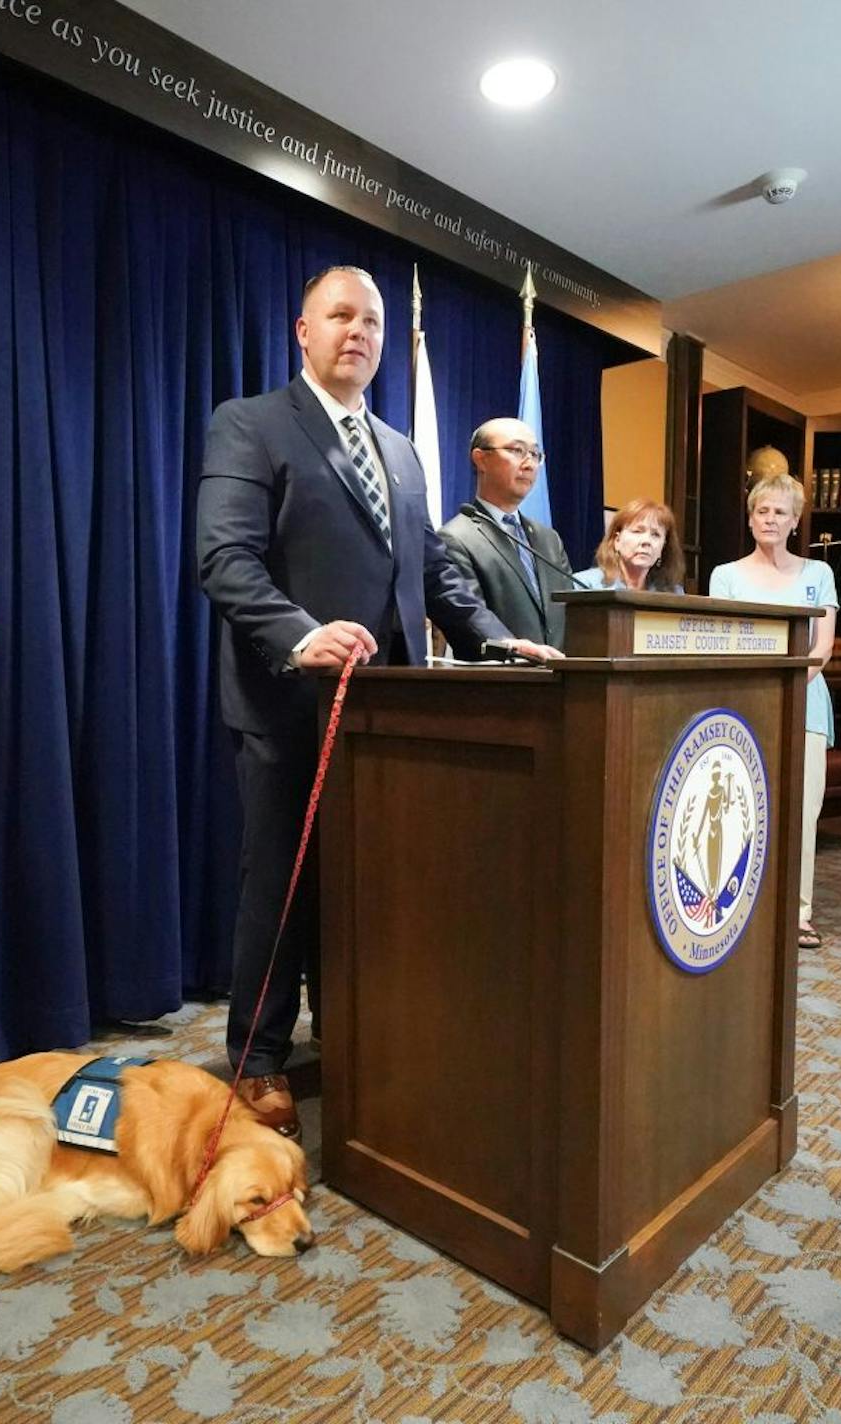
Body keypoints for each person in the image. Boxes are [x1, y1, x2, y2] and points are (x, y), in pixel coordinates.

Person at [196, 266, 561, 1139]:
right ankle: (258, 1060)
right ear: (303, 330)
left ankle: (354, 1029)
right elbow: (224, 557)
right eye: (340, 316)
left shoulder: (399, 448)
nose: (357, 331)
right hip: (290, 708)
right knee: (281, 882)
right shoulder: (249, 424)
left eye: (372, 321)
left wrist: (494, 637)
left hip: (387, 719)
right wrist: (297, 632)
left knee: (372, 885)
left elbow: (429, 568)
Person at [708, 472, 837, 950]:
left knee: (801, 812)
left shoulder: (818, 575)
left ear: (795, 521)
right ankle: (738, 905)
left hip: (806, 705)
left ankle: (799, 913)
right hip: (743, 707)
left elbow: (821, 649)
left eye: (780, 512)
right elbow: (720, 643)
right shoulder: (725, 575)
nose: (770, 519)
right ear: (750, 518)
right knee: (741, 810)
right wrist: (760, 692)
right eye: (762, 510)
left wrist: (785, 686)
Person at [439, 420, 573, 648]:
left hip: (561, 677)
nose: (529, 464)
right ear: (481, 459)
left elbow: (572, 613)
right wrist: (513, 647)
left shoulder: (549, 540)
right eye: (517, 451)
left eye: (535, 454)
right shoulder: (456, 538)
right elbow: (468, 620)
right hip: (504, 677)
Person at [573, 498, 686, 592]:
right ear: (617, 541)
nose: (646, 541)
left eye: (656, 535)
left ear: (663, 548)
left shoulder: (674, 593)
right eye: (637, 531)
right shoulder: (584, 584)